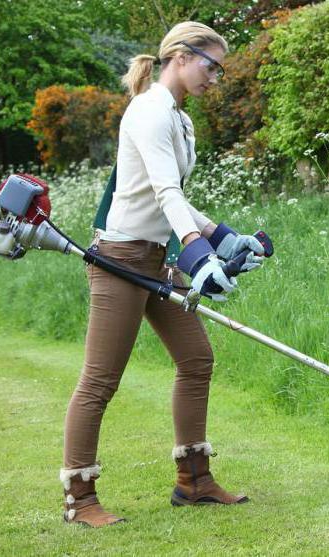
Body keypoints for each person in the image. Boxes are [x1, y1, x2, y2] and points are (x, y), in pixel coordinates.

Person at [59, 21, 266, 527]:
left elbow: (175, 195)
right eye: (211, 66)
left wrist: (223, 236)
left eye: (220, 69)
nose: (216, 78)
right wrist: (198, 254)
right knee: (100, 381)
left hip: (153, 258)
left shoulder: (178, 116)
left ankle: (194, 481)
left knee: (197, 360)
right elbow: (163, 194)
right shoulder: (150, 110)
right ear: (180, 55)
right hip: (119, 260)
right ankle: (80, 499)